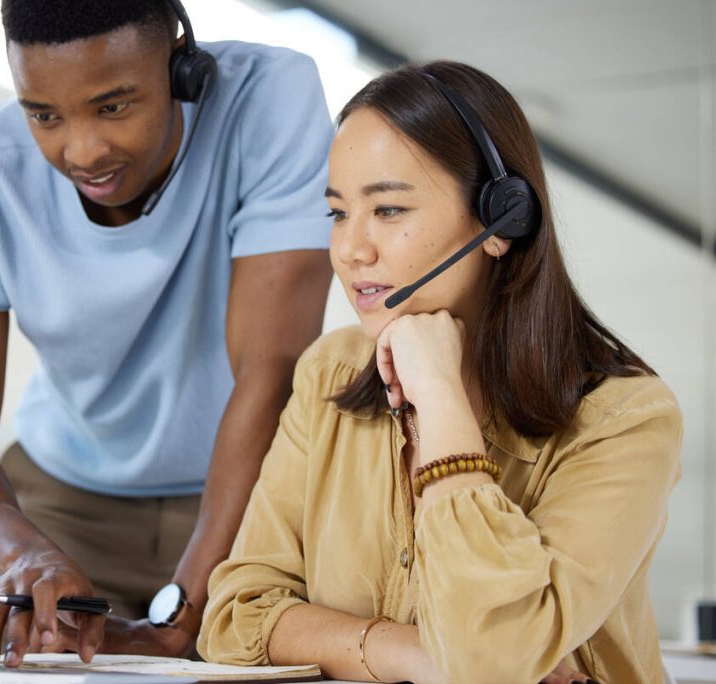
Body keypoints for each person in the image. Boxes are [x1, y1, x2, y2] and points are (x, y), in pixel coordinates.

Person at [197, 61, 682, 684]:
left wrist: (443, 403)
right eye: (339, 214)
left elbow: (493, 655)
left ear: (501, 222)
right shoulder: (332, 372)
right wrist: (414, 653)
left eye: (390, 210)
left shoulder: (626, 420)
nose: (351, 250)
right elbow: (236, 617)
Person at [0, 0, 334, 668]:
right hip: (64, 504)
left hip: (254, 498)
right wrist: (30, 557)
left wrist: (183, 612)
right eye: (44, 114)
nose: (81, 151)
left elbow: (269, 376)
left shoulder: (269, 99)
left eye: (112, 106)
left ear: (181, 67)